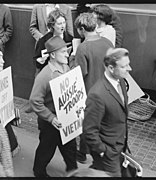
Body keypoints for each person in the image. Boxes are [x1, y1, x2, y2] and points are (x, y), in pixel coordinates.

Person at [29, 36, 77, 177]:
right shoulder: (44, 76)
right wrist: (50, 118)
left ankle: (73, 170)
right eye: (63, 52)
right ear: (53, 55)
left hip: (65, 117)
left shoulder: (65, 67)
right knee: (47, 148)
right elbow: (34, 101)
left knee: (70, 147)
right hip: (50, 122)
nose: (67, 54)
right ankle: (38, 171)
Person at [69, 12, 113, 164]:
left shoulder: (83, 47)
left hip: (91, 92)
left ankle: (82, 154)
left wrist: (72, 58)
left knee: (88, 124)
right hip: (108, 91)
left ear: (82, 29)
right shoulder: (108, 43)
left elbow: (79, 73)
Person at [83, 47, 131, 177]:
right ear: (110, 68)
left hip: (119, 147)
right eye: (124, 66)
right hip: (108, 154)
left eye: (128, 64)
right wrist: (104, 151)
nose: (129, 69)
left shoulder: (120, 80)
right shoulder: (97, 94)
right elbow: (89, 130)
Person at [34, 8, 73, 75]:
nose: (62, 26)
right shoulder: (43, 41)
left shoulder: (70, 39)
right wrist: (40, 60)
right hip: (50, 74)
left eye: (64, 23)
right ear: (52, 25)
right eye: (59, 23)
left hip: (66, 73)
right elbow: (36, 59)